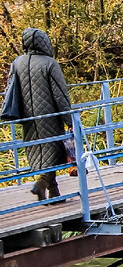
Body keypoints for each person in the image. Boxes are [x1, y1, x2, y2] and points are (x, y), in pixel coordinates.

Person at [7, 28, 72, 201]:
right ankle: (42, 184)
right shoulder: (49, 63)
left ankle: (54, 192)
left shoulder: (17, 63)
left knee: (41, 153)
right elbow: (60, 95)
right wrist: (69, 119)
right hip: (49, 116)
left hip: (28, 118)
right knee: (54, 151)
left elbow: (11, 90)